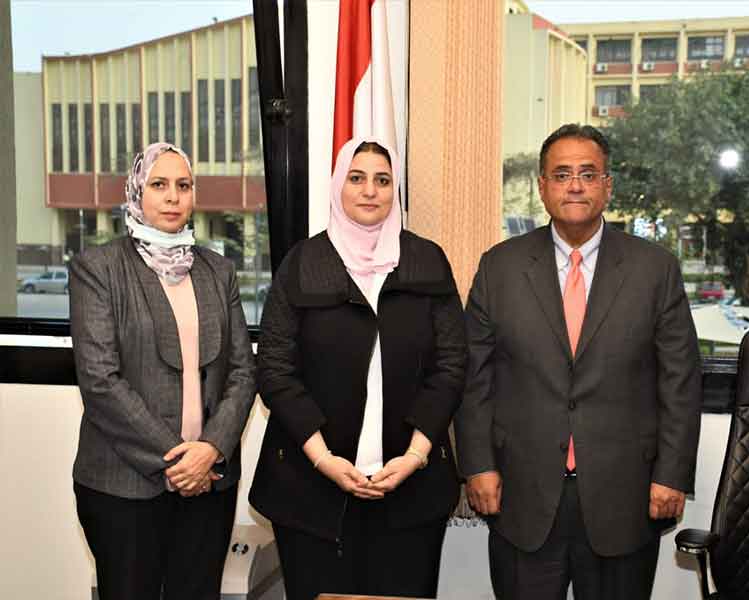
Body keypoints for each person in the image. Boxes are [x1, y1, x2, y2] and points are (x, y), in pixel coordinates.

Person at [454, 124, 702, 600]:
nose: (574, 185)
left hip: (625, 497)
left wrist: (671, 474)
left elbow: (680, 381)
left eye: (588, 174)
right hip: (520, 495)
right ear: (542, 186)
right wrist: (477, 465)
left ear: (608, 186)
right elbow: (473, 378)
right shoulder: (499, 267)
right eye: (561, 174)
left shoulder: (655, 269)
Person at [249, 137, 466, 600]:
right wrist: (324, 458)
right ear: (338, 186)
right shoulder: (304, 263)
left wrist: (415, 455)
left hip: (412, 490)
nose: (370, 190)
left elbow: (451, 366)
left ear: (395, 191)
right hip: (309, 491)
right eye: (357, 177)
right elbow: (274, 369)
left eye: (383, 180)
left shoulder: (426, 260)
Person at [69, 142, 256, 600]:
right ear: (136, 191)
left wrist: (210, 450)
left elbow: (243, 373)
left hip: (208, 484)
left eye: (183, 185)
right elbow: (100, 380)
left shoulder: (218, 270)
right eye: (159, 184)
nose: (173, 197)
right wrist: (180, 459)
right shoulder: (99, 268)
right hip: (124, 487)